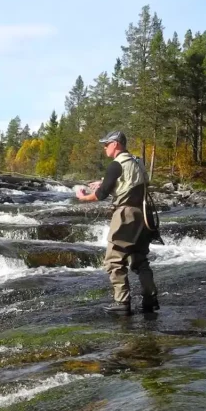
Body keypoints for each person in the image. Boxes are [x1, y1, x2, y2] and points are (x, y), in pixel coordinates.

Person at [75, 130, 159, 315]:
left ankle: (122, 302)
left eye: (106, 144)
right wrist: (103, 182)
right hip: (144, 216)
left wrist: (83, 197)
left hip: (125, 216)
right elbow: (131, 183)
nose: (104, 147)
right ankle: (150, 299)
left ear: (115, 144)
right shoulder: (137, 161)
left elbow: (101, 195)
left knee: (113, 260)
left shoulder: (115, 165)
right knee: (139, 260)